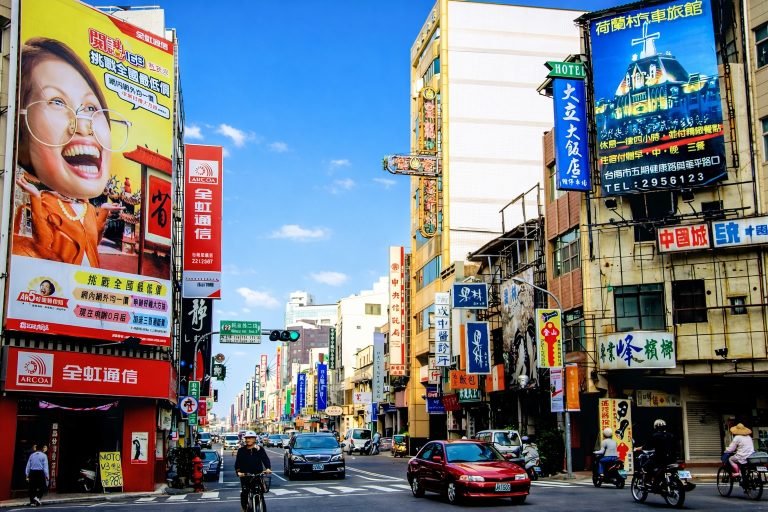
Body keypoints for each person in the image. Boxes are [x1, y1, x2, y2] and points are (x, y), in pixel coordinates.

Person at [14, 37, 124, 267]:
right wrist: (35, 199)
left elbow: (92, 244)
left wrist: (102, 212)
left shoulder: (87, 208)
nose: (84, 126)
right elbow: (43, 243)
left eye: (92, 108)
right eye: (57, 102)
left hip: (87, 290)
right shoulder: (45, 203)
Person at [235, 431, 271, 512]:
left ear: (255, 439)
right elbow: (237, 463)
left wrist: (268, 468)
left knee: (260, 494)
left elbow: (265, 459)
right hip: (245, 475)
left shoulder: (259, 449)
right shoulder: (241, 450)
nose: (248, 440)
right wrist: (238, 472)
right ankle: (244, 508)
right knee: (244, 493)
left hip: (258, 474)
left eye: (250, 438)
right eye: (247, 438)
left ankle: (259, 507)